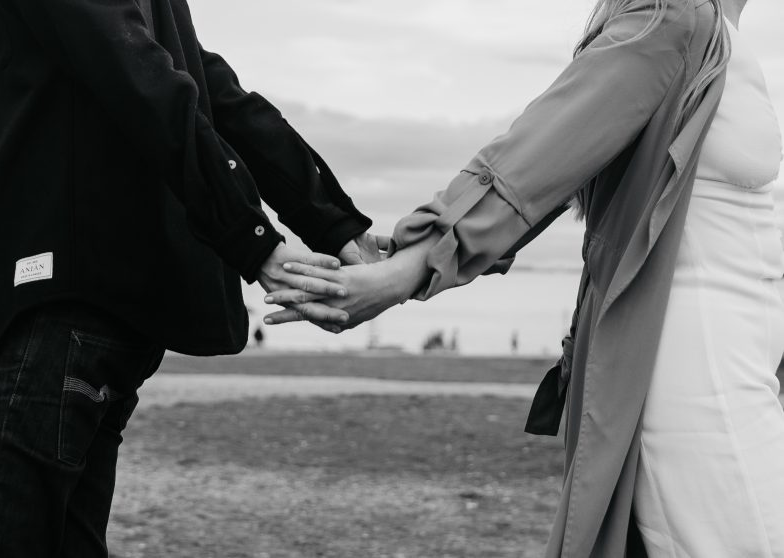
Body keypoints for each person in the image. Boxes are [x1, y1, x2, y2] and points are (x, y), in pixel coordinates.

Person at [265, 0, 784, 555]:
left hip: (749, 364)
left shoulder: (727, 40)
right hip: (697, 375)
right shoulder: (678, 18)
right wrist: (411, 265)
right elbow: (538, 160)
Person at [0, 0, 381, 555]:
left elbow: (158, 81)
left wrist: (273, 234)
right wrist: (324, 224)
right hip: (102, 316)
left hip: (51, 312)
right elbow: (194, 84)